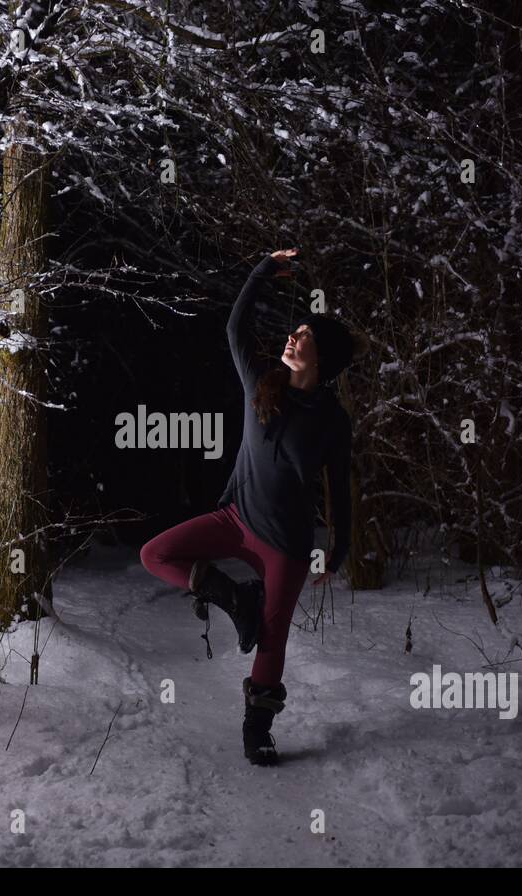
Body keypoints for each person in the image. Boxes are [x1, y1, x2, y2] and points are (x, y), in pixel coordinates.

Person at [140, 247, 360, 765]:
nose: (292, 337)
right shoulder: (260, 384)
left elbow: (340, 487)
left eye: (303, 336)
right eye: (295, 330)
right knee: (155, 554)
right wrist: (262, 270)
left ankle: (257, 729)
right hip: (235, 519)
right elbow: (235, 328)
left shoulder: (332, 420)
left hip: (286, 541)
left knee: (272, 636)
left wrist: (340, 546)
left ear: (321, 357)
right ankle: (236, 598)